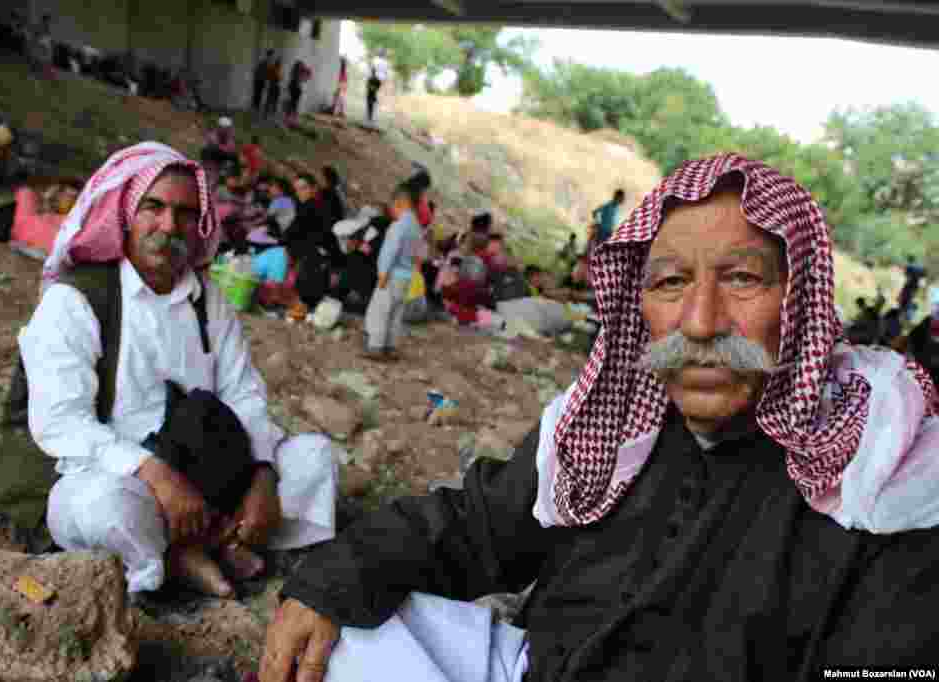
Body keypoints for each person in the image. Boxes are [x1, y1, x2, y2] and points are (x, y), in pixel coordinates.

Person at [259, 153, 939, 682]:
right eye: (671, 283)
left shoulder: (880, 466)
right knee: (347, 623)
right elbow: (474, 526)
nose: (700, 322)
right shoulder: (613, 426)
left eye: (742, 279)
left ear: (801, 303)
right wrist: (330, 577)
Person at [19, 143, 338, 599]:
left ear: (200, 225)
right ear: (127, 213)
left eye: (186, 214)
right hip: (122, 475)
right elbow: (62, 422)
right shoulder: (78, 299)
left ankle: (207, 541)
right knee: (100, 507)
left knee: (313, 459)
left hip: (212, 467)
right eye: (154, 207)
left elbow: (243, 393)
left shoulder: (209, 301)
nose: (169, 226)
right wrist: (156, 476)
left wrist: (262, 476)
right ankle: (174, 556)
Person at [362, 183, 424, 361]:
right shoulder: (417, 228)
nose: (392, 210)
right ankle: (391, 347)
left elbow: (389, 251)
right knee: (396, 314)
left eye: (393, 206)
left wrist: (382, 274)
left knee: (381, 311)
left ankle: (376, 347)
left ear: (401, 203)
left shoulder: (398, 226)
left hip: (391, 275)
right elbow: (419, 255)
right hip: (407, 277)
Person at [898, 254, 927, 320]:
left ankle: (908, 316)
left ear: (908, 260)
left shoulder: (909, 267)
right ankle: (909, 315)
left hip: (908, 286)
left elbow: (907, 278)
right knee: (910, 300)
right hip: (915, 287)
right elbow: (923, 278)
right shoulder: (920, 267)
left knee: (905, 301)